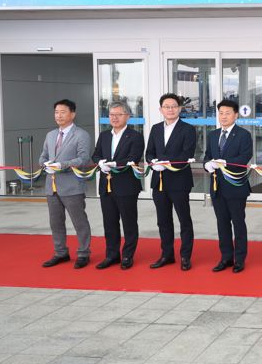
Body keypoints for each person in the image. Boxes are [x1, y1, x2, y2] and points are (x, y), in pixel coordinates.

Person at [145, 93, 197, 271]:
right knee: (163, 220)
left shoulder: (188, 129)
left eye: (174, 106)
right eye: (166, 106)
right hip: (158, 181)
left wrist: (165, 163)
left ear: (180, 108)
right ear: (161, 110)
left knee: (184, 219)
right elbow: (149, 153)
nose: (170, 109)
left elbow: (187, 153)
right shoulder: (156, 128)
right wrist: (153, 163)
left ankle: (185, 256)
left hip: (179, 180)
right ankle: (167, 254)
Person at [39, 99, 93, 269]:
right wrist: (45, 164)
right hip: (52, 185)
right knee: (55, 222)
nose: (59, 115)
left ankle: (84, 253)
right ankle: (60, 252)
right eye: (56, 112)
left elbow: (84, 159)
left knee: (79, 221)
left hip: (72, 185)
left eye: (63, 112)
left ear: (72, 114)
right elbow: (43, 156)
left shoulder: (81, 134)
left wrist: (63, 165)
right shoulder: (50, 135)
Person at [92, 101, 144, 270]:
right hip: (106, 186)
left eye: (118, 114)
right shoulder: (104, 135)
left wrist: (113, 164)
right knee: (109, 222)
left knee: (129, 222)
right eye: (111, 115)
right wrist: (100, 162)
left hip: (126, 186)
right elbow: (96, 154)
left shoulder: (135, 136)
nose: (114, 118)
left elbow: (133, 158)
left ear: (127, 116)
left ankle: (128, 255)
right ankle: (112, 254)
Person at [204, 99, 253, 273]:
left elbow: (245, 157)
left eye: (227, 113)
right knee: (222, 223)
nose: (223, 117)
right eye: (221, 113)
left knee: (238, 223)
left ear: (236, 115)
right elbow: (207, 156)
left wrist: (226, 163)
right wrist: (207, 165)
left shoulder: (243, 135)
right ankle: (226, 257)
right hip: (217, 187)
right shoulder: (213, 135)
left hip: (236, 187)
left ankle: (239, 259)